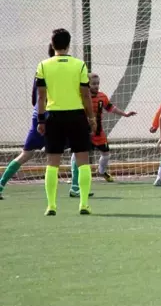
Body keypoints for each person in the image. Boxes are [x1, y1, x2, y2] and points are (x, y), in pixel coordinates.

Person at [36, 28, 95, 215]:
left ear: (52, 44)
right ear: (69, 44)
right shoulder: (79, 65)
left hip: (54, 116)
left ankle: (51, 205)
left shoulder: (43, 66)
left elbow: (41, 97)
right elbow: (86, 95)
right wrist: (91, 118)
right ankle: (84, 204)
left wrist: (41, 120)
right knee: (83, 161)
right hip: (76, 116)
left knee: (52, 163)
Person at [0, 45, 61, 199]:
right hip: (54, 116)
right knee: (78, 150)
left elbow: (35, 98)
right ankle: (74, 188)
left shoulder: (40, 69)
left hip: (38, 115)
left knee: (25, 154)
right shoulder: (61, 70)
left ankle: (1, 184)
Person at [68, 72, 137, 194]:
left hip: (98, 133)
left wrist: (125, 114)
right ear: (87, 84)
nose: (96, 86)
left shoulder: (102, 97)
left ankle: (101, 171)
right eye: (93, 83)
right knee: (77, 154)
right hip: (84, 132)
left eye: (97, 83)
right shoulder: (81, 97)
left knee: (106, 154)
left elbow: (111, 108)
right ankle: (74, 177)